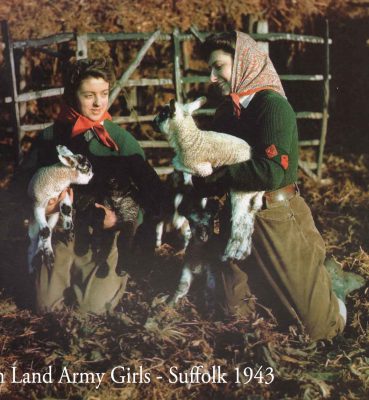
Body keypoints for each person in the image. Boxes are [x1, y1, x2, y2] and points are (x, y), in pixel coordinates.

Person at [193, 31, 346, 341]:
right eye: (210, 69)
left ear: (242, 64)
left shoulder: (272, 107)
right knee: (234, 319)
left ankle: (333, 287)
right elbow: (211, 162)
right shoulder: (227, 113)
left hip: (274, 215)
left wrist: (221, 177)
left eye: (218, 67)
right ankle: (284, 287)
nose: (212, 77)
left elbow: (273, 171)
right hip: (237, 217)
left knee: (318, 328)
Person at [25, 58, 164, 315]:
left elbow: (150, 199)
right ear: (72, 96)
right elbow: (25, 188)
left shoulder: (122, 141)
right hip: (61, 231)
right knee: (46, 306)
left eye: (104, 94)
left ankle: (111, 276)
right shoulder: (50, 138)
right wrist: (43, 207)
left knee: (94, 309)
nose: (99, 103)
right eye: (89, 95)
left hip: (104, 236)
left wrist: (120, 220)